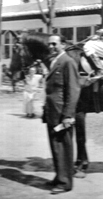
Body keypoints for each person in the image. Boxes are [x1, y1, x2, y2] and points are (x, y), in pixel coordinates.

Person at [42, 34, 81, 194]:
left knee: (63, 146)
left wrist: (68, 115)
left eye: (54, 44)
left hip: (61, 113)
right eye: (49, 44)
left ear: (63, 44)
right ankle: (59, 177)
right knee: (55, 147)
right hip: (52, 112)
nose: (51, 47)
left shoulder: (68, 62)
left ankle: (65, 183)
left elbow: (73, 90)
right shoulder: (55, 61)